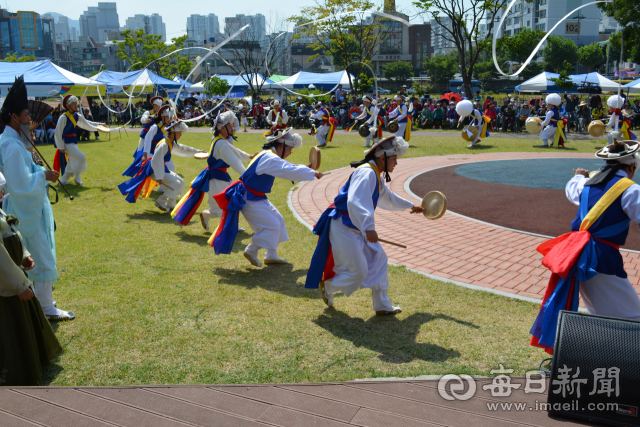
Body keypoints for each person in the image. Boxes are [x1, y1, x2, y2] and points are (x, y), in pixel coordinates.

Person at [531, 141, 640, 354]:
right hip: (600, 259)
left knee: (601, 311)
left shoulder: (586, 185)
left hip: (580, 256)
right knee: (632, 316)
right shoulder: (631, 189)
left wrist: (579, 175)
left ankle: (604, 358)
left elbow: (572, 188)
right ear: (631, 167)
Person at [305, 136, 424, 314]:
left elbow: (386, 197)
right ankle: (329, 286)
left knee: (380, 259)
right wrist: (369, 228)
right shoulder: (367, 172)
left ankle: (382, 306)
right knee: (358, 272)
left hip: (355, 226)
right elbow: (355, 201)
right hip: (344, 226)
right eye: (394, 159)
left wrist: (410, 205)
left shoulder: (374, 173)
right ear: (382, 158)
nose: (396, 163)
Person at [0, 76, 74, 321]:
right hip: (24, 212)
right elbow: (20, 186)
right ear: (14, 117)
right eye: (25, 116)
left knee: (33, 259)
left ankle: (42, 305)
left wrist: (41, 171)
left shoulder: (13, 142)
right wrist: (44, 175)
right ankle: (46, 308)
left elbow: (24, 173)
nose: (29, 120)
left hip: (25, 210)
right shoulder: (10, 146)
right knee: (41, 259)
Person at [209, 128, 322, 266]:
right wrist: (312, 172)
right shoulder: (270, 158)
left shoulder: (269, 155)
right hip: (249, 198)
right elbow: (287, 170)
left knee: (278, 221)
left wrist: (306, 169)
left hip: (255, 197)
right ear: (282, 145)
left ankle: (271, 255)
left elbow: (286, 167)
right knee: (272, 226)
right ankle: (251, 250)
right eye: (290, 149)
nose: (290, 152)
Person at [0, 172, 63, 385]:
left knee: (23, 325)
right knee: (10, 330)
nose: (2, 193)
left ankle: (31, 358)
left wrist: (25, 255)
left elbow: (12, 231)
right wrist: (20, 285)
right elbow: (2, 261)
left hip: (13, 279)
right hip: (6, 288)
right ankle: (15, 369)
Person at [172, 111, 253, 231]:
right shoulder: (221, 143)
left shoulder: (219, 139)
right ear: (223, 128)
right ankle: (229, 226)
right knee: (226, 204)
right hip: (218, 177)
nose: (232, 127)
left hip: (219, 176)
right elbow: (233, 161)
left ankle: (207, 215)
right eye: (229, 125)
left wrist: (249, 156)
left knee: (225, 204)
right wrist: (246, 175)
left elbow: (234, 151)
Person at [118, 120, 203, 212]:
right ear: (173, 133)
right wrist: (159, 176)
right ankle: (161, 202)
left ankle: (170, 205)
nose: (181, 135)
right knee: (176, 183)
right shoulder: (164, 144)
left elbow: (183, 149)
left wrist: (198, 151)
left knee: (181, 182)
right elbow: (155, 161)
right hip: (154, 170)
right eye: (180, 133)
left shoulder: (170, 142)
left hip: (161, 169)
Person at [54, 95, 105, 186]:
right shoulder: (63, 117)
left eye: (76, 103)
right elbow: (58, 132)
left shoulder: (77, 116)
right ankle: (77, 178)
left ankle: (63, 181)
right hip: (66, 143)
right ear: (68, 106)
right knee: (81, 157)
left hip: (73, 142)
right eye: (73, 104)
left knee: (72, 162)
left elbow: (87, 124)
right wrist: (60, 146)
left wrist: (99, 125)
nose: (75, 105)